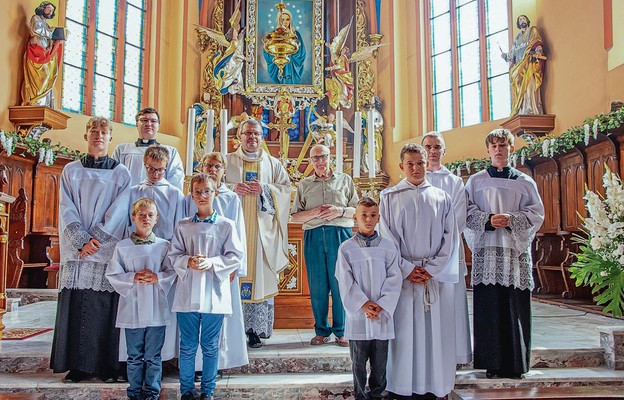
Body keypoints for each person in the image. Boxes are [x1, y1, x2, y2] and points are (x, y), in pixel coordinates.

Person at [51, 116, 131, 383]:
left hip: (104, 250)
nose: (98, 135)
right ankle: (77, 366)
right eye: (93, 131)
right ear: (85, 136)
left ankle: (108, 367)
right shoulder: (70, 170)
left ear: (111, 138)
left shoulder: (121, 173)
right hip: (78, 251)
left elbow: (119, 211)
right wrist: (80, 240)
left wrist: (95, 240)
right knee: (77, 304)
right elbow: (65, 207)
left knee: (105, 306)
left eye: (104, 132)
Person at [379, 143, 459, 400]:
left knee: (435, 333)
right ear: (401, 166)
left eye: (420, 163)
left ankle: (435, 383)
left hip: (432, 278)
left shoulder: (441, 197)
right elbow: (386, 238)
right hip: (403, 278)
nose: (416, 168)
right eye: (410, 163)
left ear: (427, 164)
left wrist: (432, 270)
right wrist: (406, 268)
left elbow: (451, 238)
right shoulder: (389, 197)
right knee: (404, 334)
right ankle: (402, 386)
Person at [464, 128, 544, 379]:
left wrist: (511, 219)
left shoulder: (524, 181)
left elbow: (536, 214)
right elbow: (465, 212)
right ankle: (493, 363)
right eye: (494, 145)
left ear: (511, 148)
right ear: (487, 150)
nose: (499, 149)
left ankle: (517, 363)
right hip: (487, 252)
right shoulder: (475, 181)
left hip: (514, 253)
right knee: (489, 307)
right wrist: (488, 219)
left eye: (503, 145)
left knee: (514, 305)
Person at [169, 174, 244, 400]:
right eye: (197, 191)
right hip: (188, 291)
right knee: (188, 345)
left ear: (215, 193)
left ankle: (208, 391)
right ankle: (187, 391)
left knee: (210, 346)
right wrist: (187, 261)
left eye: (207, 191)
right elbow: (174, 254)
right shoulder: (183, 225)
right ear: (191, 195)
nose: (202, 196)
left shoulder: (226, 225)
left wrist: (211, 262)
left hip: (214, 292)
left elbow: (235, 255)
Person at [225, 119, 291, 348]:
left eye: (256, 133)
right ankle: (233, 329)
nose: (252, 137)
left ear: (262, 137)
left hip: (263, 235)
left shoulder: (272, 164)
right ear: (239, 136)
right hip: (233, 233)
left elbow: (286, 190)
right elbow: (211, 185)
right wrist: (232, 189)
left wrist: (266, 190)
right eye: (247, 133)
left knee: (260, 279)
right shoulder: (226, 161)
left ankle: (256, 329)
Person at [185, 152, 248, 381]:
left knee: (219, 318)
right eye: (208, 165)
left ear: (223, 170)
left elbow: (239, 233)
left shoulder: (231, 198)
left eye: (217, 166)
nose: (212, 170)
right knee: (196, 312)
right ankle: (195, 363)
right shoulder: (190, 197)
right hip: (196, 267)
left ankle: (219, 362)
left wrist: (234, 267)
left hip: (222, 267)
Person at [106, 198, 176, 400]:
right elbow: (113, 274)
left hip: (155, 308)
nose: (146, 218)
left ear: (156, 220)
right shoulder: (123, 247)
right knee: (134, 356)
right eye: (142, 215)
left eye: (150, 215)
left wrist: (157, 277)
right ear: (133, 217)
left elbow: (172, 272)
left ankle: (152, 393)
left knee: (153, 356)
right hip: (132, 308)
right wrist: (132, 277)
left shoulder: (164, 246)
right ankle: (134, 393)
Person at [123, 144, 185, 366]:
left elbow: (180, 227)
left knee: (164, 306)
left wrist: (176, 258)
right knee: (137, 306)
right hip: (137, 252)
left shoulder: (175, 193)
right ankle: (134, 357)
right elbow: (125, 223)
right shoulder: (133, 191)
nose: (155, 174)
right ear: (144, 165)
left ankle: (164, 357)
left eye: (160, 170)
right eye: (151, 169)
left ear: (166, 168)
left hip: (164, 253)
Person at [291, 144, 358, 347]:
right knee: (318, 286)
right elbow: (294, 216)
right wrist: (314, 212)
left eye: (323, 157)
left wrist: (339, 210)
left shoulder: (345, 180)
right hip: (313, 235)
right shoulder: (304, 185)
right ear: (310, 161)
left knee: (341, 284)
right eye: (315, 158)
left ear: (330, 158)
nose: (320, 161)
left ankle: (342, 330)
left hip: (340, 234)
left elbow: (357, 209)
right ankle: (321, 329)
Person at [335, 197, 402, 400]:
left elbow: (395, 278)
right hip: (358, 316)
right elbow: (344, 279)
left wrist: (381, 305)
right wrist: (363, 304)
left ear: (378, 217)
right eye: (363, 214)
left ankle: (377, 394)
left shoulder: (389, 247)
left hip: (381, 314)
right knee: (358, 362)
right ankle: (360, 395)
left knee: (380, 363)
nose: (368, 219)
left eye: (373, 215)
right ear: (355, 217)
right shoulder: (346, 248)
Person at [422, 132, 472, 365]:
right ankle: (428, 352)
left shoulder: (454, 181)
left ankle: (455, 353)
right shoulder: (414, 178)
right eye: (428, 147)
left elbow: (459, 218)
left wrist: (438, 241)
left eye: (437, 147)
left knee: (450, 299)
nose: (432, 151)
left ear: (444, 151)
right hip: (420, 251)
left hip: (449, 249)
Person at [111, 107, 185, 190]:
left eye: (153, 121)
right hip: (128, 199)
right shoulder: (121, 150)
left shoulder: (171, 152)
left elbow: (175, 182)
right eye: (144, 120)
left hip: (159, 200)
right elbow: (113, 179)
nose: (149, 124)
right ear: (136, 124)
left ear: (158, 125)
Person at [21, 1, 64, 107]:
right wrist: (52, 33)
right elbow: (37, 29)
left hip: (45, 54)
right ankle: (35, 102)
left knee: (48, 77)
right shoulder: (36, 18)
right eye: (49, 8)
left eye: (52, 10)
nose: (50, 11)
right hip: (36, 53)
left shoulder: (46, 24)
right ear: (42, 8)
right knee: (41, 77)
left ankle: (43, 103)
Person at [501, 15, 546, 116]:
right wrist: (505, 56)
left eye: (524, 19)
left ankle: (532, 109)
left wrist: (538, 50)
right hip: (520, 67)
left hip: (530, 63)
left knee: (530, 86)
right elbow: (512, 54)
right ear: (518, 23)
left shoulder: (532, 30)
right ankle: (522, 109)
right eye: (520, 19)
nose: (522, 20)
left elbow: (537, 42)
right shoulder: (517, 38)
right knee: (518, 85)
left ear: (527, 21)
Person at [262, 7, 306, 84]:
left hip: (292, 64)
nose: (285, 22)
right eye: (282, 20)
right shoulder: (273, 34)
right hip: (277, 61)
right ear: (279, 21)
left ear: (290, 20)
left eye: (287, 19)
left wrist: (293, 50)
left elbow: (302, 53)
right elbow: (267, 51)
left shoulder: (296, 34)